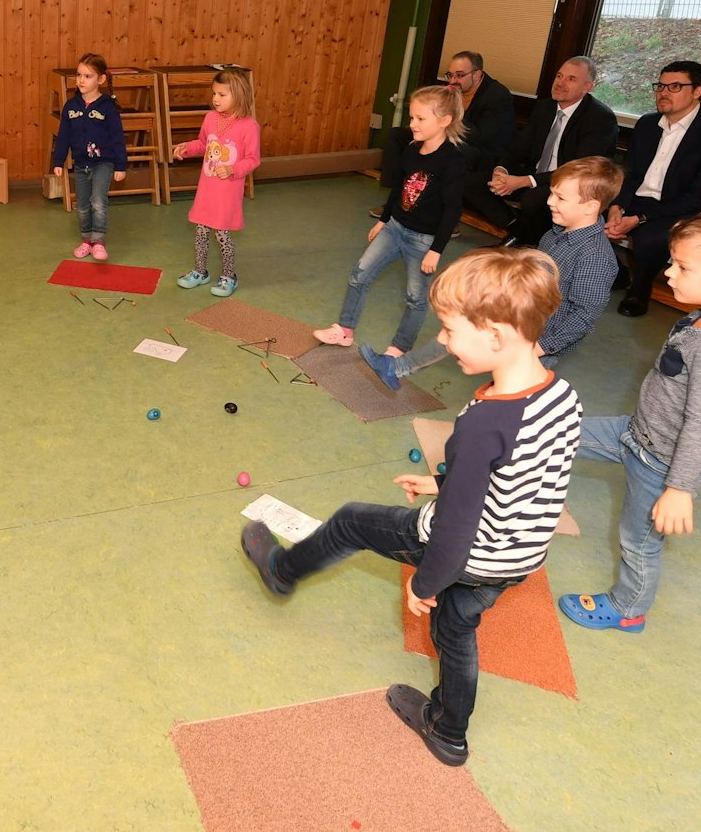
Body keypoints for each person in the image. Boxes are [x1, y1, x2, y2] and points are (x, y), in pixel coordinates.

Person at [242, 247, 581, 768]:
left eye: (449, 330)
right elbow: (525, 477)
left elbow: (455, 527)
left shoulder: (483, 422)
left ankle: (282, 570)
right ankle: (449, 732)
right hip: (520, 557)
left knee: (354, 520)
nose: (442, 341)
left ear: (494, 335)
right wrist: (445, 479)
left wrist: (426, 581)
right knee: (457, 629)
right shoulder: (560, 395)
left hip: (462, 553)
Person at [557, 206, 701, 634]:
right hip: (635, 431)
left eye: (682, 266)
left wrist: (678, 489)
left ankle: (628, 609)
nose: (668, 273)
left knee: (638, 542)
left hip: (662, 463)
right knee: (556, 431)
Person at [376, 156, 623, 387]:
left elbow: (583, 317)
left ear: (590, 207)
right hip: (513, 315)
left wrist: (538, 348)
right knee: (458, 327)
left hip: (535, 341)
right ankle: (397, 368)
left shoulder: (595, 258)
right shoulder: (555, 233)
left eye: (560, 198)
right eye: (551, 194)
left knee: (511, 396)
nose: (549, 202)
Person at [313, 86, 468, 370]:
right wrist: (384, 220)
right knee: (359, 275)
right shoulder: (411, 150)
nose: (412, 124)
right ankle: (345, 330)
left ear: (444, 120)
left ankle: (398, 350)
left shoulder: (453, 161)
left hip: (423, 240)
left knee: (415, 298)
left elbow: (452, 210)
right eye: (411, 117)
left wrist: (436, 250)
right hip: (395, 228)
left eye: (421, 119)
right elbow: (399, 187)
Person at [607, 60, 701, 318]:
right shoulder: (647, 124)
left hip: (686, 208)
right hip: (639, 200)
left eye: (675, 86)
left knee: (648, 238)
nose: (663, 92)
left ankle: (639, 289)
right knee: (587, 215)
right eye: (660, 86)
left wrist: (638, 218)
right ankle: (617, 273)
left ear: (698, 91)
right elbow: (630, 172)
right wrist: (617, 206)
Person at [467, 56, 616, 247]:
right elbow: (518, 148)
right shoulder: (544, 107)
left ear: (588, 87)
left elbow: (580, 170)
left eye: (571, 79)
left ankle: (537, 244)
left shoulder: (599, 118)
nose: (560, 83)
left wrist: (522, 182)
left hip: (571, 185)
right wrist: (501, 171)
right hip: (536, 175)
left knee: (533, 199)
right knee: (472, 183)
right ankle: (520, 231)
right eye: (559, 76)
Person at [371, 52, 513, 220]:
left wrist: (452, 115)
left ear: (477, 75)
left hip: (479, 150)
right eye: (450, 75)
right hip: (445, 134)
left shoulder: (497, 95)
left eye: (459, 75)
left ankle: (444, 215)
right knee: (397, 136)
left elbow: (483, 136)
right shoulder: (450, 90)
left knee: (451, 152)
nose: (453, 81)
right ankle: (397, 199)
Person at [172, 68, 261, 298]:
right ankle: (200, 272)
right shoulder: (210, 118)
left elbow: (253, 159)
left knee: (222, 234)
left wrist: (233, 169)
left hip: (227, 191)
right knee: (201, 231)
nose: (215, 99)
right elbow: (203, 143)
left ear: (239, 95)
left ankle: (229, 276)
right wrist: (188, 147)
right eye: (214, 93)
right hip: (207, 189)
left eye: (222, 95)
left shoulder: (249, 126)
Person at [50, 52, 128, 260]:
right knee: (83, 205)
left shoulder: (108, 107)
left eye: (88, 76)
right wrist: (58, 161)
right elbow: (63, 136)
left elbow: (118, 137)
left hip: (103, 163)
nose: (81, 80)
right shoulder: (71, 107)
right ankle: (87, 240)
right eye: (79, 75)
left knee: (98, 201)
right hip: (80, 164)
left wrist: (121, 166)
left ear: (101, 79)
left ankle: (99, 241)